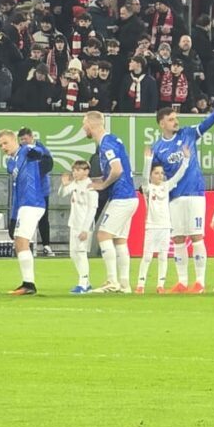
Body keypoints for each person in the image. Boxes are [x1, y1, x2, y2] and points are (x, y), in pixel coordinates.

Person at [148, 106, 214, 294]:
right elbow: (155, 174)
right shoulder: (157, 148)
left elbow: (206, 125)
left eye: (176, 118)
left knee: (196, 236)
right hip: (174, 197)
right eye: (171, 119)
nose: (175, 121)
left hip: (194, 193)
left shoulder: (187, 134)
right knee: (178, 238)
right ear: (162, 123)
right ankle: (182, 281)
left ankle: (200, 282)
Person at [84, 113, 137, 295]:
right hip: (129, 196)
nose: (83, 128)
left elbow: (117, 170)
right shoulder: (113, 140)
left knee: (103, 235)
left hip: (122, 197)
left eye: (84, 124)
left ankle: (112, 281)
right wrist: (95, 180)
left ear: (91, 125)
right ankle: (124, 284)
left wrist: (103, 185)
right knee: (120, 240)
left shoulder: (106, 143)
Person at [0, 127, 53, 296]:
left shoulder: (27, 150)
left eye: (5, 143)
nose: (3, 147)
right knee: (19, 242)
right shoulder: (11, 163)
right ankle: (27, 283)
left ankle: (29, 284)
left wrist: (39, 153)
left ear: (15, 140)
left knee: (21, 241)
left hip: (33, 202)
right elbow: (16, 191)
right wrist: (13, 217)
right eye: (0, 145)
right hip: (22, 205)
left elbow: (40, 153)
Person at [137, 161, 183, 293]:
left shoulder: (166, 186)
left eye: (162, 173)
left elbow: (178, 176)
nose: (160, 176)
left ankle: (160, 285)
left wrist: (185, 161)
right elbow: (145, 178)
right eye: (156, 173)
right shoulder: (147, 188)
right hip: (151, 226)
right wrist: (147, 160)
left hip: (165, 226)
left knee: (163, 256)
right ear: (151, 175)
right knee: (147, 256)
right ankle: (141, 285)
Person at [61, 159, 98, 294]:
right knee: (73, 254)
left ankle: (82, 283)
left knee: (81, 253)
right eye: (74, 170)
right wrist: (64, 184)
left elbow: (92, 209)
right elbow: (62, 194)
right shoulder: (74, 184)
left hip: (84, 225)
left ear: (86, 171)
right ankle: (86, 282)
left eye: (78, 170)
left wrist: (85, 229)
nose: (75, 173)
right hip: (74, 223)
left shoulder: (90, 186)